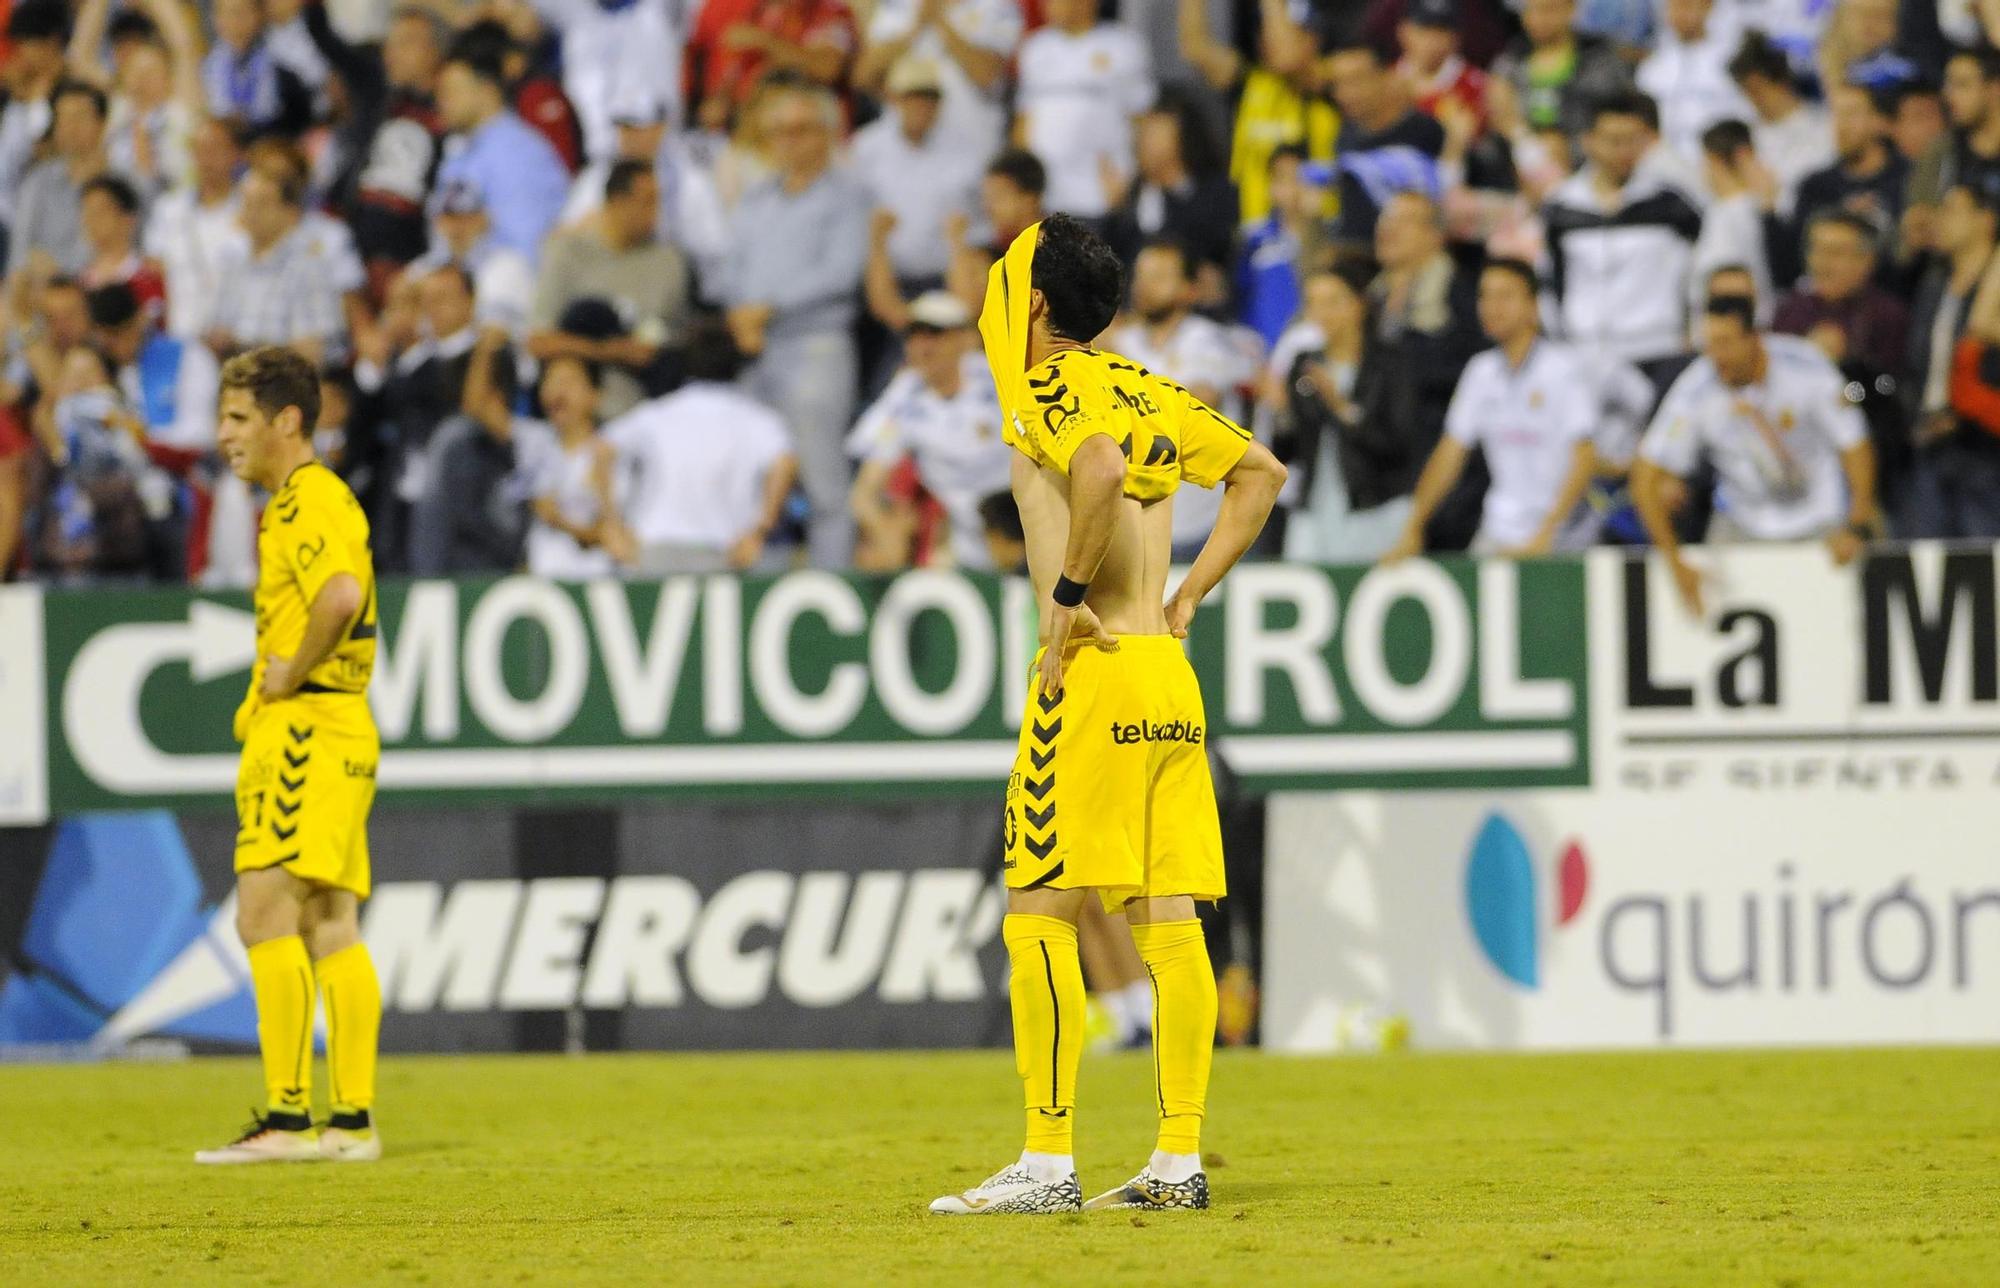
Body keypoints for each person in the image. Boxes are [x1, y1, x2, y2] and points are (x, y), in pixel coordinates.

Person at [931, 213, 1287, 1216]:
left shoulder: (1049, 388)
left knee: (1038, 910)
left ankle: (1046, 1163)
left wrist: (1067, 595)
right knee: (1168, 926)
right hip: (1165, 674)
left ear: (1033, 305)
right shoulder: (1154, 389)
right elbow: (1259, 476)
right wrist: (1185, 600)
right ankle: (1175, 1161)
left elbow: (1089, 469)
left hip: (1087, 671)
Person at [195, 346, 382, 1164]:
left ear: (288, 421)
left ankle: (288, 1118)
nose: (223, 435)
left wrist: (288, 670)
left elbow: (340, 595)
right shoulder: (316, 499)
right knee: (328, 922)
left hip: (305, 724)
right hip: (342, 724)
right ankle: (350, 1123)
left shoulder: (305, 502)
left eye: (237, 418)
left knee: (262, 912)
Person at [1633, 296, 1880, 616]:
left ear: (1755, 338)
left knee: (1843, 606)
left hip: (1819, 514)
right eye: (1709, 345)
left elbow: (1855, 445)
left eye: (1725, 343)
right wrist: (1674, 562)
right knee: (1706, 604)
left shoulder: (1806, 366)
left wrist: (1857, 522)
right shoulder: (1696, 388)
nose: (1716, 357)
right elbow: (1645, 478)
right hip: (1742, 519)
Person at [722, 80, 869, 568]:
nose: (789, 142)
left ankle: (833, 586)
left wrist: (768, 307)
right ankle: (761, 592)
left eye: (801, 130)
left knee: (824, 482)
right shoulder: (756, 198)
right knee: (755, 479)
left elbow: (842, 272)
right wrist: (740, 312)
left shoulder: (848, 196)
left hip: (816, 345)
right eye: (779, 132)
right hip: (755, 350)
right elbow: (730, 266)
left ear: (826, 134)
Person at [1384, 258, 1598, 560]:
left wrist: (1548, 532)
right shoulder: (1480, 372)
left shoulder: (1564, 369)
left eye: (1505, 296)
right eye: (1485, 296)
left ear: (1533, 305)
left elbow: (1585, 457)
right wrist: (1413, 527)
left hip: (1563, 535)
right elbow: (1449, 454)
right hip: (1499, 531)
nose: (1491, 306)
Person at [603, 320, 798, 574]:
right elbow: (785, 464)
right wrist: (759, 531)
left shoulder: (658, 414)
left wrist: (612, 524)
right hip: (724, 551)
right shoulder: (758, 419)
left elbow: (602, 450)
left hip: (656, 551)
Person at [1109, 239, 1262, 557]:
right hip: (1136, 527)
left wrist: (1121, 371)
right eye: (1142, 276)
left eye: (1160, 277)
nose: (1145, 287)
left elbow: (1195, 405)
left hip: (1205, 527)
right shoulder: (1121, 341)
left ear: (1190, 289)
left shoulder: (1207, 340)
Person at [1542, 93, 1703, 387]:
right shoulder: (1561, 207)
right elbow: (1549, 281)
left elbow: (1699, 272)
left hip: (1657, 349)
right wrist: (1562, 343)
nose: (1624, 151)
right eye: (1614, 140)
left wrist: (1691, 332)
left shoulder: (1671, 204)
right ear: (1588, 141)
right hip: (1584, 353)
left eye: (1633, 140)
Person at [847, 291, 1010, 569]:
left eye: (935, 333)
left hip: (1024, 522)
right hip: (963, 544)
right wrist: (884, 532)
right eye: (913, 334)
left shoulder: (997, 379)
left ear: (964, 338)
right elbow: (864, 492)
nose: (922, 346)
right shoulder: (903, 397)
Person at [529, 158, 693, 419]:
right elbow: (538, 342)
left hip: (648, 403)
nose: (656, 213)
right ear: (617, 203)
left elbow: (680, 339)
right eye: (647, 202)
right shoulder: (567, 252)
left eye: (657, 201)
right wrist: (608, 351)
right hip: (578, 409)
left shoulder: (668, 262)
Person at [1176, 0, 1334, 229]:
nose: (1269, 37)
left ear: (1313, 40)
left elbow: (1287, 58)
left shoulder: (1325, 82)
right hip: (1252, 230)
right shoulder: (1252, 83)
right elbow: (1195, 47)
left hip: (1310, 227)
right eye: (1265, 29)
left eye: (1288, 31)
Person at [1899, 181, 2000, 539]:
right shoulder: (1934, 282)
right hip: (1928, 440)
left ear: (1986, 220)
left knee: (1984, 555)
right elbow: (1916, 361)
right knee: (1923, 556)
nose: (1941, 220)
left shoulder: (1995, 283)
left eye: (1954, 210)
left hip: (1984, 444)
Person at [430, 41, 569, 264]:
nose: (442, 102)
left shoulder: (520, 151)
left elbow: (528, 249)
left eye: (451, 92)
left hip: (509, 279)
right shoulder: (458, 152)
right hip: (460, 277)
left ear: (487, 91)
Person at [1014, 0, 1153, 221]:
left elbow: (1143, 119)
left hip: (1102, 193)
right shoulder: (1035, 48)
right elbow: (1024, 120)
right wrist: (1023, 186)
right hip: (1046, 198)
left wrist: (1132, 181)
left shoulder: (1123, 45)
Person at [516, 353, 633, 578]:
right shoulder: (535, 447)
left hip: (592, 580)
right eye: (550, 380)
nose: (556, 390)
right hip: (542, 581)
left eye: (568, 381)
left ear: (594, 395)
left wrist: (560, 521)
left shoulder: (608, 452)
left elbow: (615, 538)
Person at [1322, 42, 1445, 251]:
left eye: (1356, 80)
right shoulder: (1345, 135)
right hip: (1355, 256)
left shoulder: (1426, 132)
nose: (1346, 93)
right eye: (1338, 84)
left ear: (1387, 76)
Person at [854, 0, 1019, 154]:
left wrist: (939, 20)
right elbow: (864, 76)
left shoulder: (996, 5)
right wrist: (916, 26)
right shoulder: (899, 5)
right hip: (907, 147)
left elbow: (987, 76)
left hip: (972, 140)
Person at [144, 117, 249, 342]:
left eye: (215, 149)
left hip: (236, 337)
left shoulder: (250, 209)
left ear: (237, 154)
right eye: (200, 150)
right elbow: (154, 268)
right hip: (182, 334)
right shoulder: (169, 208)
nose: (207, 159)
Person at [1772, 210, 1908, 378]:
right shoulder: (1792, 309)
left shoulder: (1888, 316)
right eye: (1816, 250)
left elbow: (1889, 388)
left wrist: (1848, 363)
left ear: (1867, 260)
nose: (1821, 263)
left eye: (1835, 252)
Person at [8, 78, 109, 282]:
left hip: (100, 290)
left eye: (79, 117)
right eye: (62, 118)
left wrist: (59, 270)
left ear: (101, 123)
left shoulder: (122, 184)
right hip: (39, 291)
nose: (70, 127)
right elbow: (20, 251)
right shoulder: (37, 181)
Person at [1489, 0, 1632, 141]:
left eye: (1548, 10)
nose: (1537, 19)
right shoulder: (1509, 61)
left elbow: (1617, 111)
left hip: (1586, 149)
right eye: (1530, 10)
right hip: (1525, 149)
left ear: (1571, 9)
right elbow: (1502, 116)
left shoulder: (1599, 57)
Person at [1725, 29, 1833, 217]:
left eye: (1757, 88)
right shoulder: (1748, 135)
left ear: (1782, 81)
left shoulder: (1822, 129)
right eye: (1746, 90)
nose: (1753, 98)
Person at [1635, 0, 1754, 167]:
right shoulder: (1652, 68)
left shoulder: (1732, 59)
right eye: (1674, 7)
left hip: (1720, 160)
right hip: (1665, 164)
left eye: (1688, 6)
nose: (1680, 15)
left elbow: (1746, 115)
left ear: (1707, 7)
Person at [1235, 145, 1326, 353]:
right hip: (1260, 348)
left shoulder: (1326, 235)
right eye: (1281, 178)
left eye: (1297, 177)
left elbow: (1315, 280)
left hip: (1307, 344)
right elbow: (1241, 295)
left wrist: (1311, 223)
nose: (1291, 186)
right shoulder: (1254, 239)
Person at [1691, 120, 1773, 325]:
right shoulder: (1722, 210)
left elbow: (1730, 282)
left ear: (1714, 161)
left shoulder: (1737, 213)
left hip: (1735, 330)